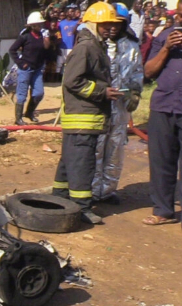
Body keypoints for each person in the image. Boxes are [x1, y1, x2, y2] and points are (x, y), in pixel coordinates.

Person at [52, 2, 124, 225]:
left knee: (71, 161)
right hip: (83, 118)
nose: (109, 28)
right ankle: (81, 208)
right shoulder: (86, 47)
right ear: (93, 24)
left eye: (112, 24)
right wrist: (103, 92)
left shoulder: (94, 45)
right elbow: (73, 81)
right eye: (104, 24)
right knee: (82, 164)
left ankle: (60, 198)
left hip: (84, 119)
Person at [142, 0, 182, 241]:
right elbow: (149, 72)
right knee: (161, 161)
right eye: (181, 16)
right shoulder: (164, 35)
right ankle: (163, 210)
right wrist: (166, 48)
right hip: (163, 107)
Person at [92, 3, 144, 204]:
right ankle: (91, 190)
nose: (113, 28)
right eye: (109, 23)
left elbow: (137, 71)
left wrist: (136, 92)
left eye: (118, 24)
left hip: (121, 107)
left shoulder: (132, 46)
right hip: (99, 105)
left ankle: (107, 190)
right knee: (97, 147)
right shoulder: (95, 44)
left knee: (115, 148)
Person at [9, 12, 50, 125]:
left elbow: (44, 50)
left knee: (39, 93)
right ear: (32, 25)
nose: (40, 26)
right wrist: (20, 63)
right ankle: (18, 119)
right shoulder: (25, 36)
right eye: (38, 24)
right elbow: (12, 50)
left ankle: (29, 112)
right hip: (26, 69)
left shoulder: (41, 36)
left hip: (37, 69)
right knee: (22, 94)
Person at [57, 6, 78, 75]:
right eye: (70, 11)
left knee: (69, 63)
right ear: (66, 13)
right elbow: (58, 33)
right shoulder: (61, 23)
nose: (72, 13)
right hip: (62, 46)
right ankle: (57, 78)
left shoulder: (76, 22)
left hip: (71, 46)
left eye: (73, 11)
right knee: (59, 63)